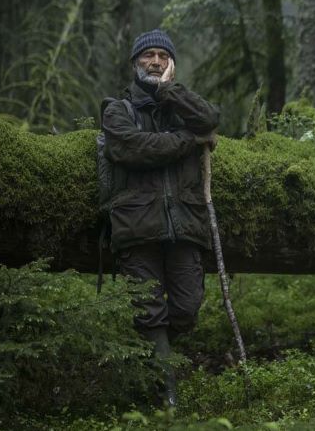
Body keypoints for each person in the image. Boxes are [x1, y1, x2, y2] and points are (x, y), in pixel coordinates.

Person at [101, 29, 219, 407]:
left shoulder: (179, 105)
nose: (154, 62)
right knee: (149, 312)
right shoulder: (118, 110)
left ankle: (154, 359)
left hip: (184, 225)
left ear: (171, 64)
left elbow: (210, 118)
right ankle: (167, 396)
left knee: (186, 307)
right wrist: (188, 142)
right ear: (135, 63)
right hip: (137, 228)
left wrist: (170, 91)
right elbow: (135, 149)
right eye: (147, 56)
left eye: (162, 56)